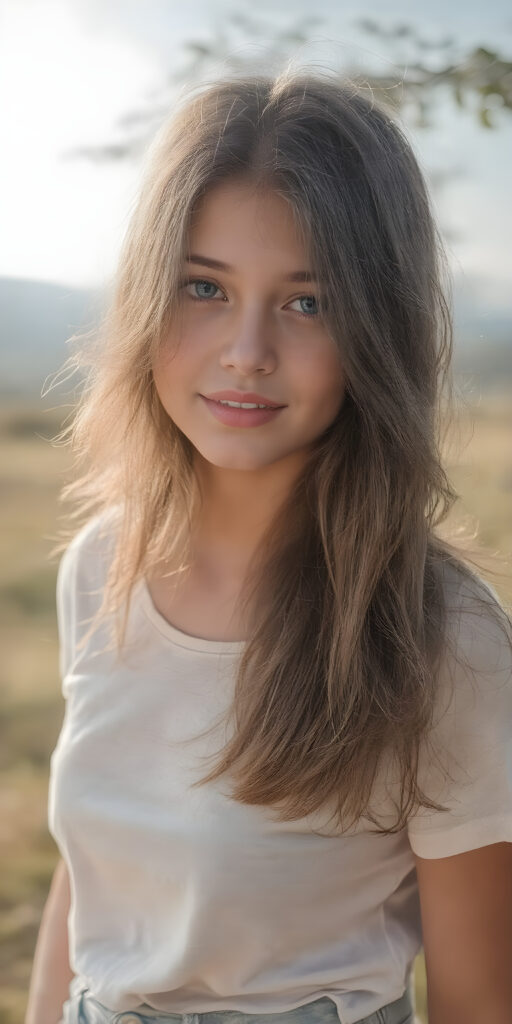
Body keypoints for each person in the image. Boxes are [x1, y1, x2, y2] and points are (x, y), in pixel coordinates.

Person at [26, 69, 512, 1024]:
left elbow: (482, 998)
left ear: (379, 332)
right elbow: (90, 890)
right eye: (204, 286)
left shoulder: (442, 637)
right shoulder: (101, 564)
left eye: (307, 303)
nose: (246, 350)